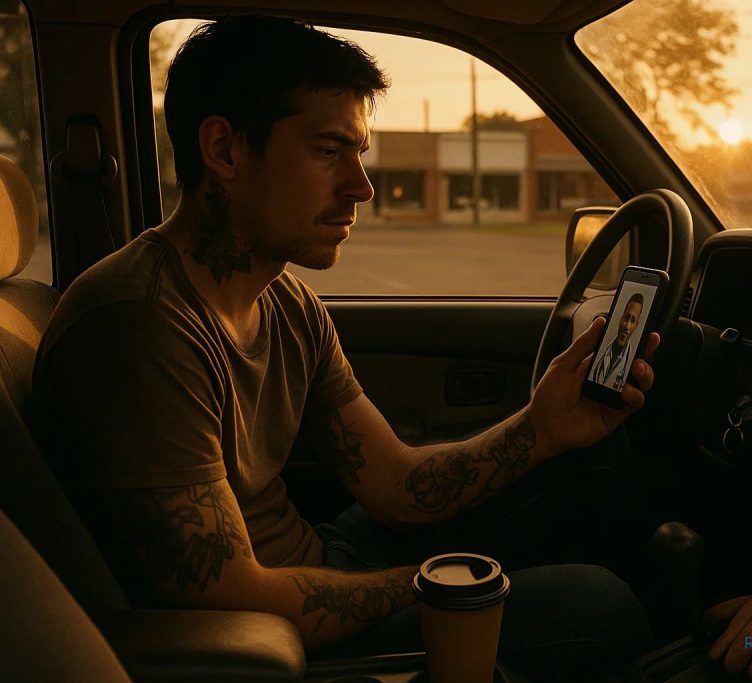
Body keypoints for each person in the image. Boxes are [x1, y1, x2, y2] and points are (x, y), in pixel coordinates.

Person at [32, 16, 659, 681]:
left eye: (358, 152)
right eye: (329, 150)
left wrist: (543, 427)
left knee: (585, 468)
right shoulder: (138, 324)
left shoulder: (287, 302)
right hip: (274, 638)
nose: (361, 185)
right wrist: (438, 581)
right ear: (224, 149)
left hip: (325, 558)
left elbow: (395, 484)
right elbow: (232, 595)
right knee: (599, 606)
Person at [592, 292, 644, 390]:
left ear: (636, 326)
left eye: (632, 321)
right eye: (626, 317)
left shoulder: (632, 364)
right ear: (621, 318)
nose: (627, 326)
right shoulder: (600, 351)